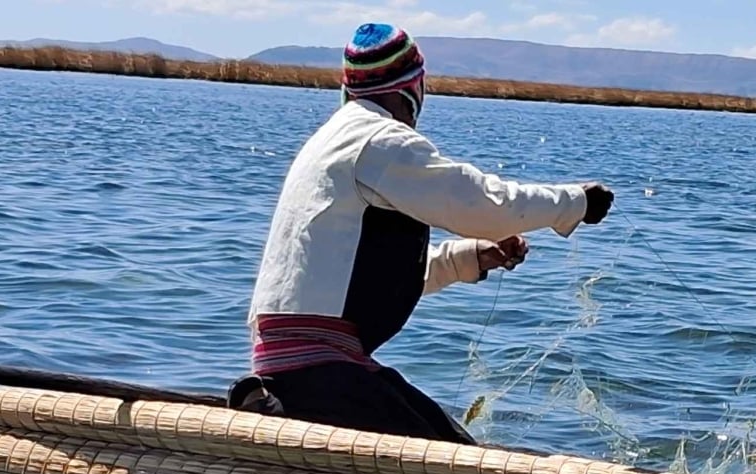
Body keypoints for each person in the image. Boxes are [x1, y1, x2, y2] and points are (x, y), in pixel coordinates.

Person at [228, 22, 615, 443]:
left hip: (294, 365)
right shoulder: (381, 141)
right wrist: (575, 202)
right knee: (462, 465)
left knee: (454, 442)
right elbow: (485, 205)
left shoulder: (330, 141)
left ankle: (278, 408)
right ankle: (289, 411)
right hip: (320, 369)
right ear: (412, 89)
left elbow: (354, 275)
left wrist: (468, 259)